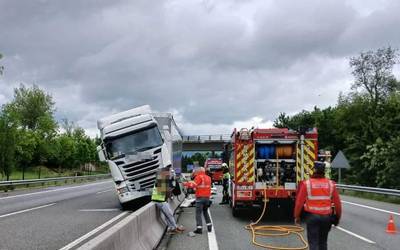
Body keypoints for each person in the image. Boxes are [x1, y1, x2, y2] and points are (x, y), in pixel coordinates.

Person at [294, 161, 342, 250]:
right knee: (323, 242)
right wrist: (337, 218)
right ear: (324, 171)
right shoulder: (331, 184)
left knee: (313, 243)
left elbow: (299, 203)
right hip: (326, 218)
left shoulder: (307, 184)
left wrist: (297, 216)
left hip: (312, 217)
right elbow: (338, 204)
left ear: (314, 170)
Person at [152, 167, 184, 234]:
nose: (169, 174)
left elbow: (165, 191)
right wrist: (170, 191)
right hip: (160, 201)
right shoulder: (161, 180)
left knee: (167, 215)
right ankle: (174, 228)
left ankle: (172, 228)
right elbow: (166, 192)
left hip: (160, 201)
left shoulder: (160, 180)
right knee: (169, 215)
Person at [192, 167, 212, 234]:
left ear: (199, 171)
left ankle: (199, 229)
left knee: (198, 213)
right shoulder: (209, 178)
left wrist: (185, 183)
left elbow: (193, 185)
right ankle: (209, 226)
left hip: (200, 198)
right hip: (207, 198)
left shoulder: (198, 177)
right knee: (205, 212)